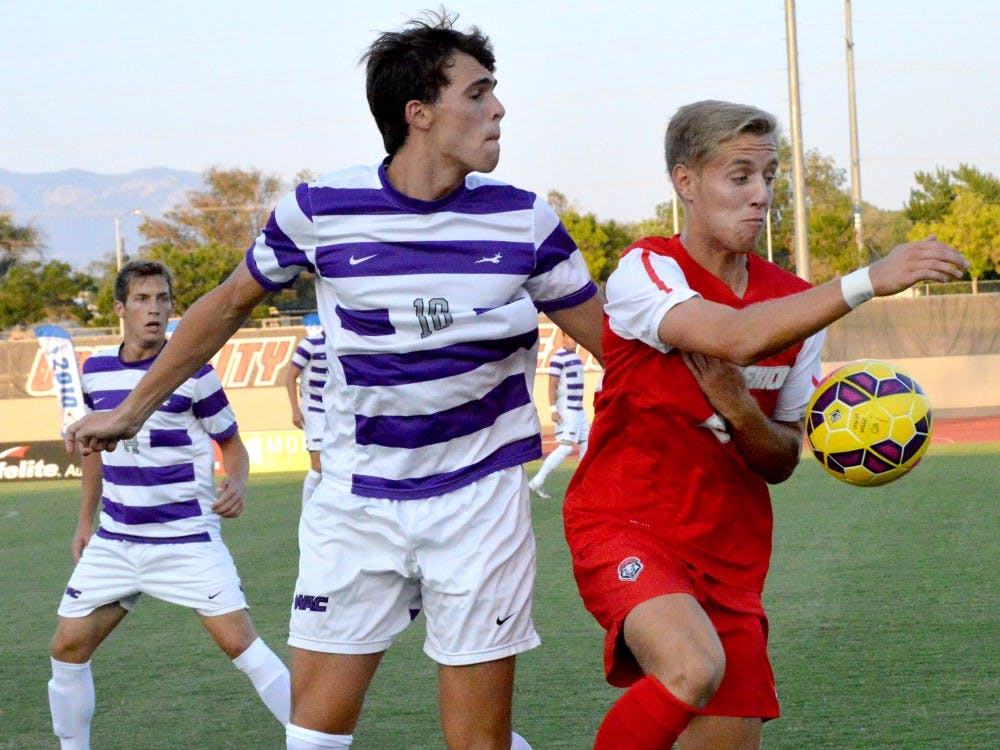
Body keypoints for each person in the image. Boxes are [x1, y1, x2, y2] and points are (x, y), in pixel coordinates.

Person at [65, 12, 603, 750]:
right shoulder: (321, 210)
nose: (498, 109)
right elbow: (225, 305)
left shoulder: (525, 222)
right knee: (313, 739)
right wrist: (133, 407)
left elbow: (616, 346)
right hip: (354, 503)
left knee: (477, 743)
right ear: (419, 114)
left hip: (480, 506)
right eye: (477, 94)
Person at [562, 100, 968, 750]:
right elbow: (733, 337)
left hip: (731, 553)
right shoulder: (647, 270)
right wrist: (869, 278)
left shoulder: (790, 302)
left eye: (770, 176)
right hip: (627, 524)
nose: (761, 196)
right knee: (691, 666)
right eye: (740, 175)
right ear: (686, 182)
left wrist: (740, 410)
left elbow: (780, 459)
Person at [48, 260, 290, 749]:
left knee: (241, 646)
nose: (154, 309)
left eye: (162, 299)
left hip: (186, 539)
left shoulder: (195, 373)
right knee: (67, 647)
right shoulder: (95, 370)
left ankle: (315, 738)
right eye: (141, 299)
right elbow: (95, 450)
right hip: (116, 540)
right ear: (120, 309)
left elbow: (234, 446)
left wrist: (238, 483)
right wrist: (84, 521)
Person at [528, 330, 590, 499]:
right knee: (566, 447)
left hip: (579, 409)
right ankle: (537, 481)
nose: (574, 341)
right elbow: (551, 384)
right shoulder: (558, 358)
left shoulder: (576, 358)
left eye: (575, 337)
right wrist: (553, 409)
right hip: (567, 409)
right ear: (562, 337)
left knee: (587, 444)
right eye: (571, 337)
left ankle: (584, 485)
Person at [285, 318, 327, 505]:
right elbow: (290, 377)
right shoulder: (310, 344)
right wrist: (295, 409)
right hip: (314, 410)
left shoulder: (341, 343)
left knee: (336, 466)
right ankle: (307, 512)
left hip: (335, 412)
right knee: (318, 465)